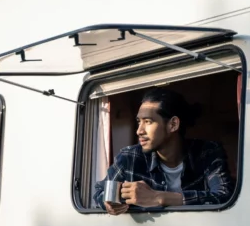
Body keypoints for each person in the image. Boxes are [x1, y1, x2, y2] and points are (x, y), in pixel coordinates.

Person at [93, 88, 234, 215]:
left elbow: (224, 196)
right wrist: (109, 204)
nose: (139, 131)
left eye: (148, 121)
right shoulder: (130, 158)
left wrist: (158, 197)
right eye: (138, 122)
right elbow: (99, 191)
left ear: (173, 124)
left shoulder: (207, 153)